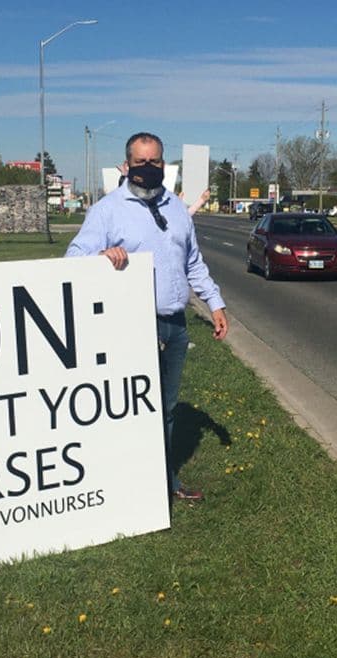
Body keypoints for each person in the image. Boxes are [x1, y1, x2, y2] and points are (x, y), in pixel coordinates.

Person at [66, 132, 228, 502]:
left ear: (163, 165)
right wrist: (102, 256)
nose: (148, 168)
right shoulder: (107, 210)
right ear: (127, 166)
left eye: (154, 162)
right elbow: (73, 259)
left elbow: (192, 263)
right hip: (132, 325)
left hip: (175, 325)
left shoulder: (175, 207)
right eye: (140, 162)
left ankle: (163, 482)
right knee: (132, 410)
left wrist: (215, 304)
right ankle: (124, 486)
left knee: (166, 408)